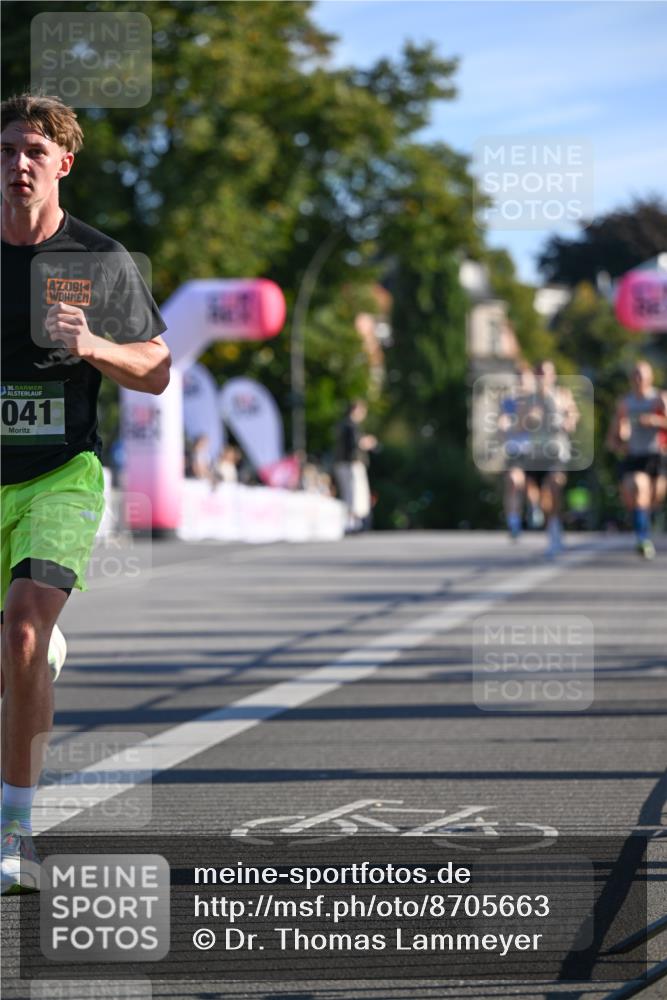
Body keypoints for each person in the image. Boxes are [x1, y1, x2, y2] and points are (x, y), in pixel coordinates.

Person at [1, 93, 170, 893]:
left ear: (63, 163)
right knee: (15, 649)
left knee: (24, 634)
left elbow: (160, 370)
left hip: (60, 474)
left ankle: (14, 832)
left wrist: (94, 342)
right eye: (5, 151)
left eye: (33, 150)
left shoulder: (99, 260)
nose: (17, 164)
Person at [606, 361, 667, 559]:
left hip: (656, 455)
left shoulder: (659, 398)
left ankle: (646, 525)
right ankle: (642, 538)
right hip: (635, 456)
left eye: (642, 375)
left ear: (650, 378)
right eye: (635, 375)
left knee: (654, 500)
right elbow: (614, 435)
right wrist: (619, 441)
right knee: (637, 489)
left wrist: (655, 421)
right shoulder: (626, 402)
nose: (639, 379)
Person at [334, 400, 376, 532]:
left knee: (349, 493)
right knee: (354, 494)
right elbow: (355, 444)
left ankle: (351, 522)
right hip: (351, 464)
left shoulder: (343, 425)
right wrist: (368, 442)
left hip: (343, 463)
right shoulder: (351, 426)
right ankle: (353, 523)